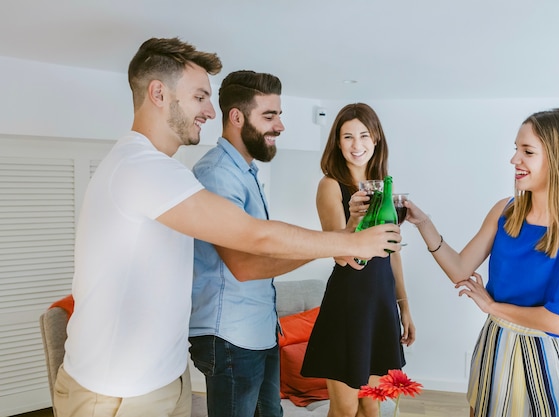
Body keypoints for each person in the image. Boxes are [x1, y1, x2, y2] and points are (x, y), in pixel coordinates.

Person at [53, 38, 402, 417]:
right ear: (158, 93)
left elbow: (255, 244)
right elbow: (252, 243)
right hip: (119, 391)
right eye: (200, 96)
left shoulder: (170, 171)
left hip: (160, 378)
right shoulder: (144, 168)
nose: (209, 109)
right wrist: (346, 241)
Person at [404, 108, 559, 417]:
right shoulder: (506, 210)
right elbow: (460, 269)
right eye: (516, 149)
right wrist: (424, 224)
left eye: (527, 151)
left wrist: (491, 307)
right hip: (494, 342)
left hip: (540, 353)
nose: (514, 159)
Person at [188, 70, 305, 416]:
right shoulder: (217, 174)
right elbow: (244, 265)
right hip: (230, 338)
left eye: (279, 115)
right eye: (270, 116)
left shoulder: (246, 173)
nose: (280, 126)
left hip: (258, 330)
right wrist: (331, 246)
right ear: (236, 117)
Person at [301, 103, 415, 417]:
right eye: (348, 137)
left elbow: (392, 253)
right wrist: (352, 221)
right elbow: (340, 255)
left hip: (380, 306)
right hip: (348, 307)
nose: (357, 144)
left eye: (363, 135)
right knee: (345, 408)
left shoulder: (384, 186)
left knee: (372, 405)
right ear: (338, 143)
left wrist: (403, 306)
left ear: (376, 138)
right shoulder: (330, 185)